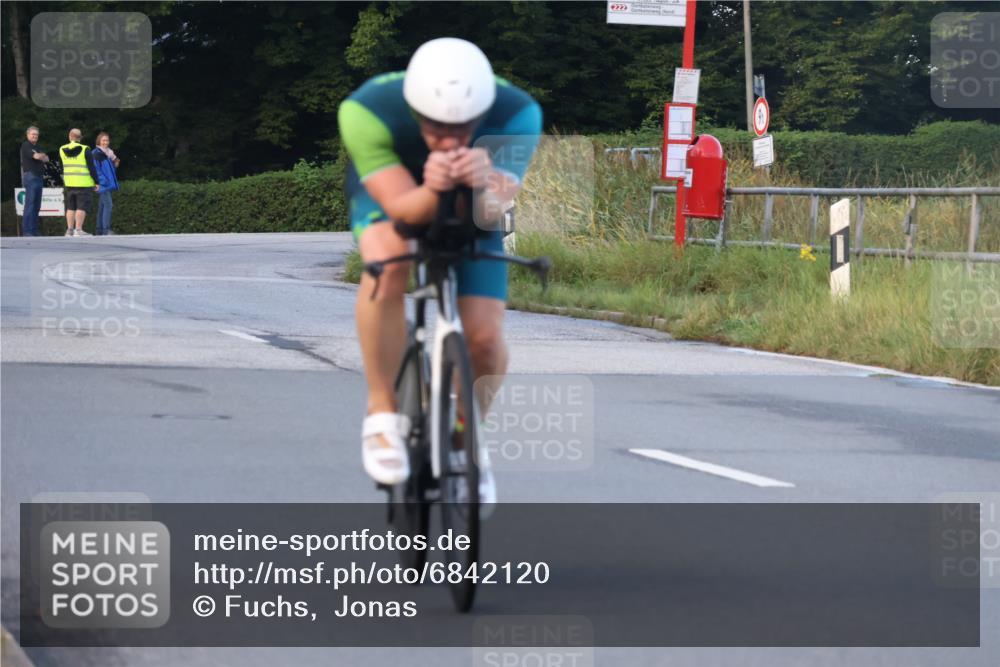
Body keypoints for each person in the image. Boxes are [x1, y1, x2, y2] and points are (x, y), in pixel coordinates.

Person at [337, 38, 542, 501]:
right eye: (435, 127)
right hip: (395, 191)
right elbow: (403, 210)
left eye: (462, 127)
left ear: (482, 113)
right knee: (387, 264)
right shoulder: (368, 110)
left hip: (474, 205)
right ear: (415, 110)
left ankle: (469, 437)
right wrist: (434, 188)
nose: (449, 140)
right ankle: (382, 412)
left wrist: (482, 183)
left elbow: (492, 211)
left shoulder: (516, 113)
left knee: (484, 340)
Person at [58, 128, 99, 237]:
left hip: (69, 183)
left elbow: (61, 167)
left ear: (69, 136)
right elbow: (91, 167)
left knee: (70, 207)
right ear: (80, 138)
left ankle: (69, 230)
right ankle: (78, 230)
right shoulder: (85, 149)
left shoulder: (62, 149)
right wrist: (96, 181)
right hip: (83, 183)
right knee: (81, 207)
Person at [19, 126, 49, 237]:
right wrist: (40, 156)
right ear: (28, 135)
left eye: (36, 134)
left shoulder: (38, 146)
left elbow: (47, 159)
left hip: (39, 177)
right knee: (30, 204)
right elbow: (36, 156)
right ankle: (27, 231)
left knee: (37, 205)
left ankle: (34, 230)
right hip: (30, 176)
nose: (35, 136)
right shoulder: (26, 145)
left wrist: (41, 156)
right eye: (33, 134)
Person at [91, 132, 121, 236]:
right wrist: (104, 182)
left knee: (102, 206)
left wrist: (115, 164)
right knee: (108, 205)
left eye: (107, 140)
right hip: (103, 184)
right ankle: (106, 230)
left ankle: (99, 230)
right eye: (103, 140)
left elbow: (110, 169)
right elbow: (96, 170)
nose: (105, 142)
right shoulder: (96, 153)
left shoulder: (108, 153)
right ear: (99, 141)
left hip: (106, 184)